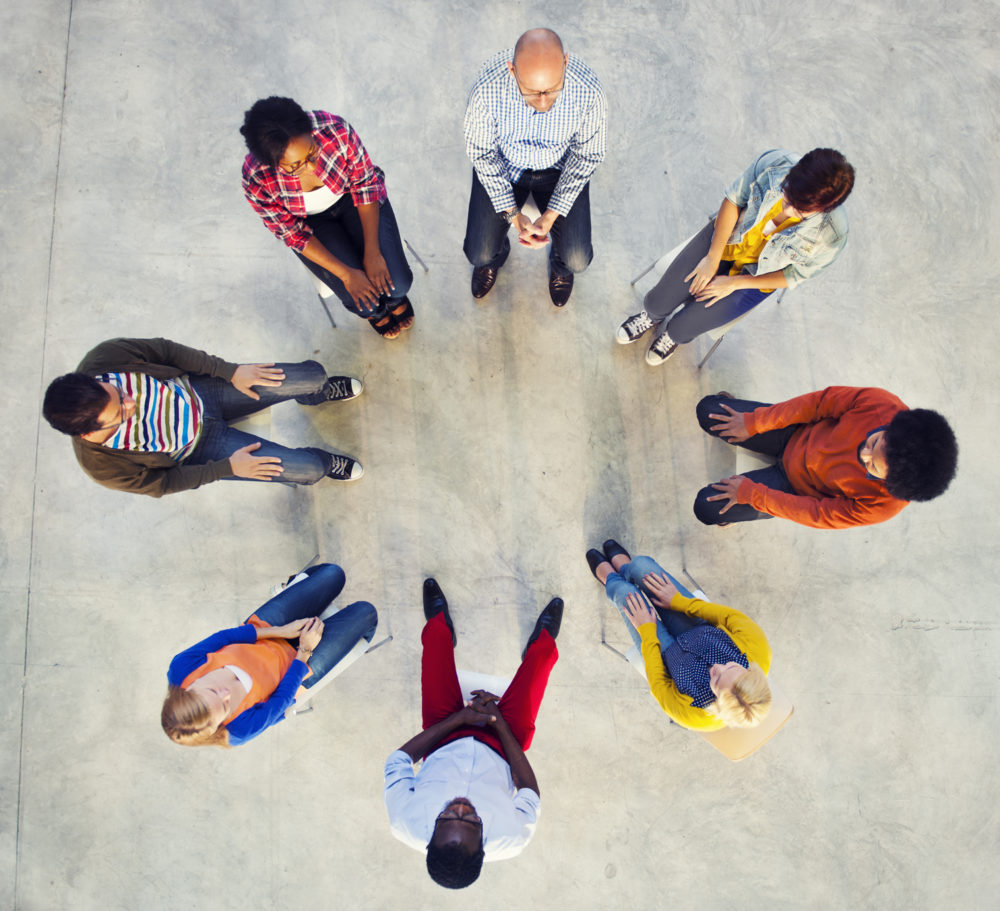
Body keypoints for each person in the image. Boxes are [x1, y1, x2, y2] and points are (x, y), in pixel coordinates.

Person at [384, 578, 562, 889]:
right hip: (503, 745)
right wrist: (498, 722)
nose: (462, 806)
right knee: (543, 659)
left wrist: (459, 718)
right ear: (483, 846)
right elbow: (529, 792)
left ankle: (441, 623)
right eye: (471, 820)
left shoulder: (404, 821)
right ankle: (540, 640)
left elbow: (399, 761)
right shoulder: (512, 837)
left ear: (428, 840)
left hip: (443, 734)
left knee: (436, 638)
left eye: (448, 815)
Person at [42, 337, 364, 497]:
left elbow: (166, 352)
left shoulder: (105, 359)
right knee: (308, 469)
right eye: (121, 412)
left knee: (312, 376)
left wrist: (229, 371)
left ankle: (314, 394)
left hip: (202, 391)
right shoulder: (102, 466)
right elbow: (163, 483)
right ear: (88, 433)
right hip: (204, 448)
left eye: (119, 393)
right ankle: (320, 461)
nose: (130, 402)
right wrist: (227, 468)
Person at [617, 148, 854, 365]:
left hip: (756, 277)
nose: (786, 210)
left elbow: (794, 275)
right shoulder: (774, 164)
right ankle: (651, 316)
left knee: (683, 327)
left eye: (800, 211)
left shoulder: (832, 236)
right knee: (658, 301)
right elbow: (734, 199)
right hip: (727, 240)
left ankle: (672, 336)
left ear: (826, 208)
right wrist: (712, 257)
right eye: (787, 195)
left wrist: (736, 283)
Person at [241, 96, 414, 339]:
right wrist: (346, 273)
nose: (311, 167)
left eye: (312, 152)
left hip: (355, 200)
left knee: (398, 284)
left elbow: (364, 185)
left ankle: (396, 301)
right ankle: (377, 314)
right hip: (312, 224)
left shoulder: (335, 130)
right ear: (273, 164)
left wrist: (373, 252)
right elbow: (293, 234)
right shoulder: (256, 179)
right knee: (365, 302)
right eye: (296, 166)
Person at [463, 28, 606, 307]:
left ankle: (560, 264)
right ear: (512, 70)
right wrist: (514, 216)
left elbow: (587, 155)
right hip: (506, 166)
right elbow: (482, 153)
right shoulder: (486, 90)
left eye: (552, 89)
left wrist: (551, 216)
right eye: (531, 92)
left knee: (576, 259)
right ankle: (496, 252)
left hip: (558, 170)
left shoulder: (589, 90)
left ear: (565, 63)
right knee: (479, 253)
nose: (543, 102)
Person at [161, 563, 377, 747]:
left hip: (266, 630)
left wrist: (282, 631)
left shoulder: (182, 668)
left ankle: (292, 585)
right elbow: (281, 700)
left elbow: (226, 638)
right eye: (226, 706)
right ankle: (355, 638)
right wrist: (304, 650)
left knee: (333, 574)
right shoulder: (238, 731)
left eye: (214, 690)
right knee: (366, 613)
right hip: (298, 669)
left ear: (187, 688)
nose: (226, 693)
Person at [694, 388, 958, 529]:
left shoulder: (883, 505)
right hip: (793, 433)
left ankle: (739, 513)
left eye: (873, 467)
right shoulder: (881, 404)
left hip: (794, 488)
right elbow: (818, 403)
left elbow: (817, 514)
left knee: (707, 508)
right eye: (874, 441)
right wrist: (754, 421)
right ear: (893, 424)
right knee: (708, 410)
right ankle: (737, 407)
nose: (863, 454)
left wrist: (753, 495)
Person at [586, 539, 771, 730]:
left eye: (716, 681)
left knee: (625, 594)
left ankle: (612, 579)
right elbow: (728, 617)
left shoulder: (693, 716)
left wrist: (647, 631)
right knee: (642, 566)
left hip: (665, 656)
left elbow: (659, 684)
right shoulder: (758, 652)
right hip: (695, 626)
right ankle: (627, 570)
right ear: (750, 671)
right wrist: (680, 602)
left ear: (719, 707)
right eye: (730, 666)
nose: (716, 667)